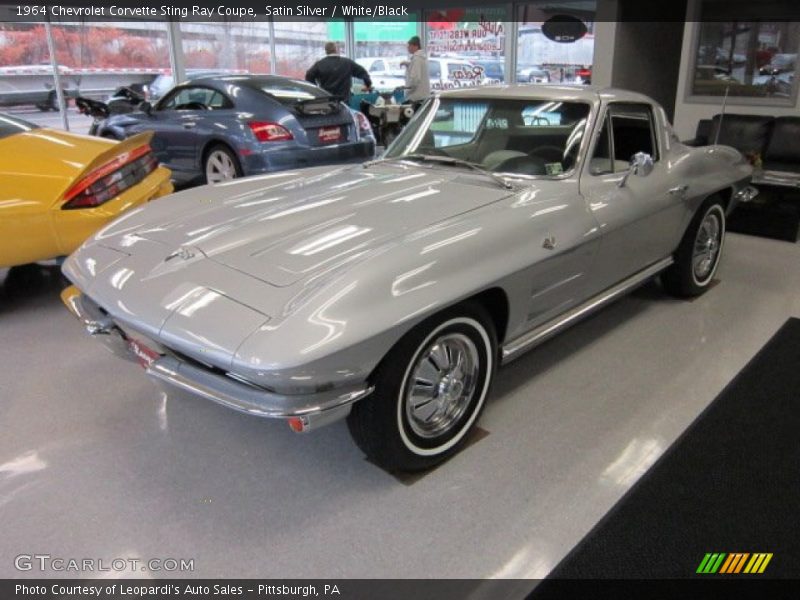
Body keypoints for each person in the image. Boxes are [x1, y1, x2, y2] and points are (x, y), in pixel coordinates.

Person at [305, 42, 372, 102]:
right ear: (336, 50)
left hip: (327, 100)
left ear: (326, 51)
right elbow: (363, 72)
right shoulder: (347, 63)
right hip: (344, 100)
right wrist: (368, 84)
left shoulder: (319, 64)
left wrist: (317, 90)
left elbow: (308, 76)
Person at [402, 36, 430, 108]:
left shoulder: (417, 59)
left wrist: (407, 89)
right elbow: (416, 68)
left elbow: (415, 79)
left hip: (415, 99)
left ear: (416, 46)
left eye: (410, 45)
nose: (408, 47)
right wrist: (408, 64)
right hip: (422, 97)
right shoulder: (421, 58)